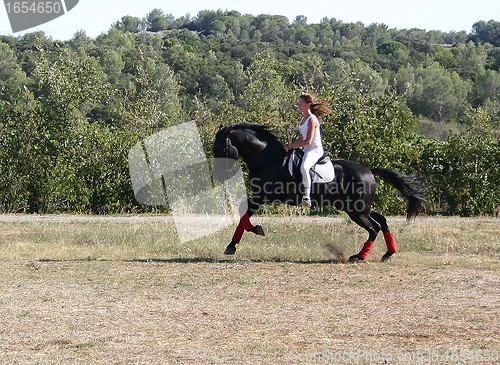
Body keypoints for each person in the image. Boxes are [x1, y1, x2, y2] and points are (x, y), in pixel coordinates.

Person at [284, 93, 332, 207]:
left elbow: (308, 141)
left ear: (308, 105)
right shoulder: (303, 118)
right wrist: (290, 145)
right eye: (298, 104)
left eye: (300, 104)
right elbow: (302, 138)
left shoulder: (312, 119)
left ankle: (307, 197)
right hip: (306, 150)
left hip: (314, 150)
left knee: (304, 167)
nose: (298, 106)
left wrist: (291, 145)